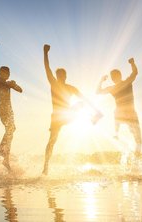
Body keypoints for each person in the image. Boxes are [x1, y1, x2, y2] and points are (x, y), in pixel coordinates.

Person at [42, 44, 83, 175]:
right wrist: (45, 53)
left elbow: (85, 99)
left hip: (68, 114)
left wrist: (95, 112)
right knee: (52, 141)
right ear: (56, 76)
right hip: (57, 117)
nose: (60, 77)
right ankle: (45, 167)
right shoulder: (53, 83)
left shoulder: (72, 88)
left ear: (65, 76)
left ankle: (83, 119)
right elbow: (47, 68)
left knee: (80, 104)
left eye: (62, 75)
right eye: (58, 75)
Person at [0, 38, 23, 171]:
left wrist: (15, 85)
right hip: (2, 108)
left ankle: (6, 160)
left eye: (6, 73)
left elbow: (20, 90)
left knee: (11, 131)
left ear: (8, 74)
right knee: (10, 130)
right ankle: (1, 149)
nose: (4, 74)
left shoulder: (9, 83)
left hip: (9, 109)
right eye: (2, 72)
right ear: (0, 73)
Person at [96, 58, 142, 157]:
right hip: (130, 113)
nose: (113, 78)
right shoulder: (126, 82)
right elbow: (135, 73)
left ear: (113, 78)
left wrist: (101, 81)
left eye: (113, 77)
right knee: (138, 140)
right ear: (120, 76)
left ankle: (116, 132)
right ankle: (136, 161)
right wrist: (132, 63)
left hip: (121, 114)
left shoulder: (112, 88)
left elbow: (98, 92)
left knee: (137, 139)